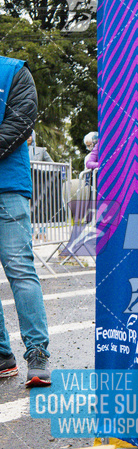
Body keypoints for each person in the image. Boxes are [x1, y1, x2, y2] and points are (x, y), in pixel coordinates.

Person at [0, 56, 51, 386]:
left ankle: (37, 352)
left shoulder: (13, 71)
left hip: (7, 187)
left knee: (19, 268)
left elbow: (20, 123)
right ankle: (3, 355)